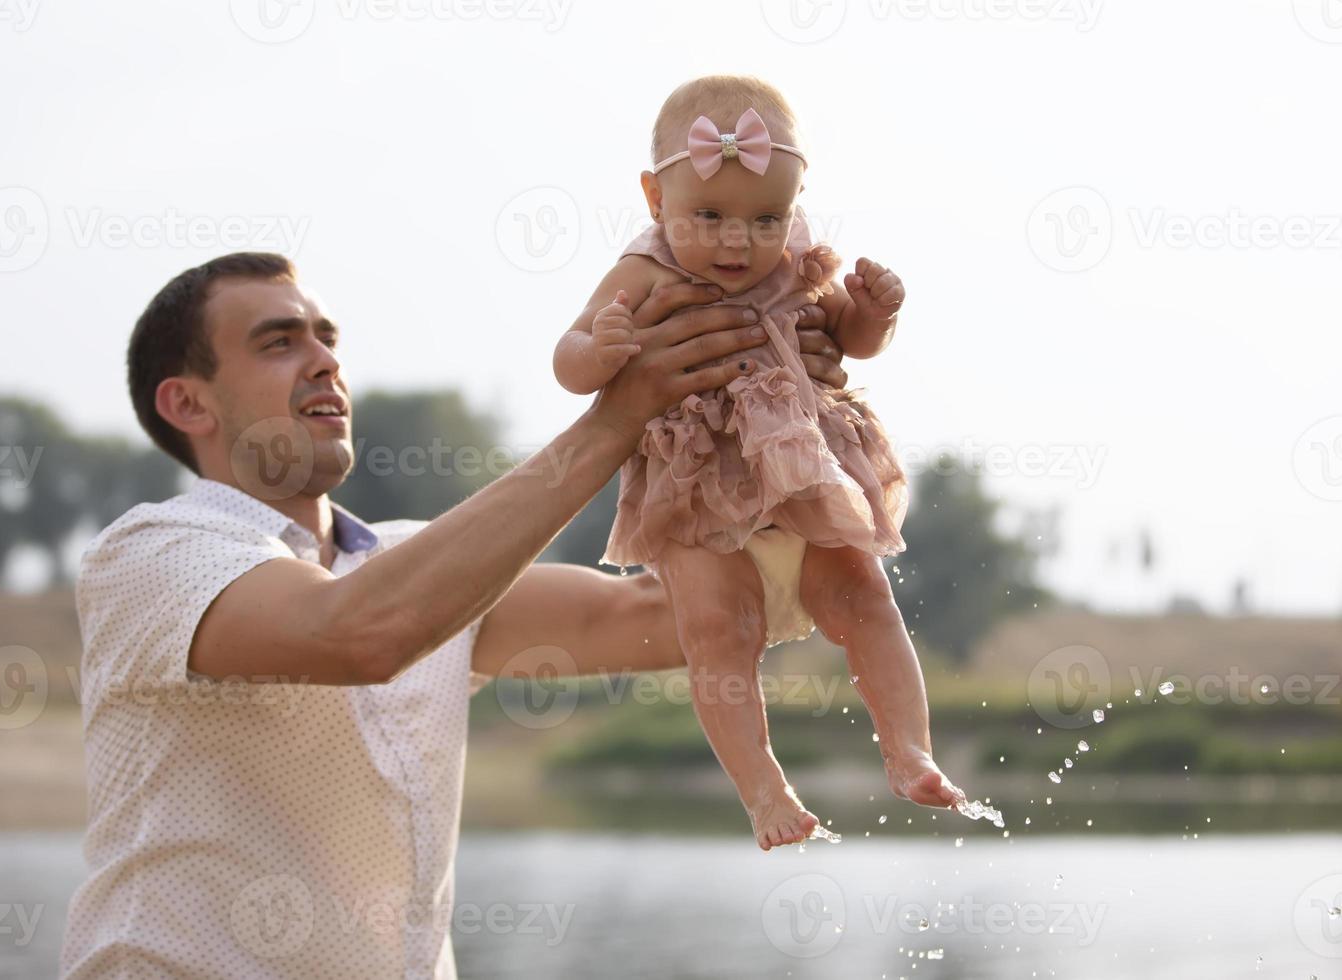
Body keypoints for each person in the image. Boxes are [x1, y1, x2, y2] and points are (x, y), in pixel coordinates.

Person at [58, 250, 855, 978]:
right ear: (187, 403)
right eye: (280, 343)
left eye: (328, 338)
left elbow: (662, 612)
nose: (326, 361)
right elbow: (356, 635)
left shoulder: (412, 565)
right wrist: (613, 421)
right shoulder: (152, 554)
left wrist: (782, 401)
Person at [553, 75, 964, 853]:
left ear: (797, 201)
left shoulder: (801, 258)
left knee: (867, 597)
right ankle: (763, 786)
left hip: (806, 476)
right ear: (654, 196)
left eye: (764, 218)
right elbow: (568, 359)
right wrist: (598, 350)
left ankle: (908, 746)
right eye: (708, 216)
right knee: (717, 632)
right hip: (699, 489)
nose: (738, 242)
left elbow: (847, 337)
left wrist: (875, 312)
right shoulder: (640, 273)